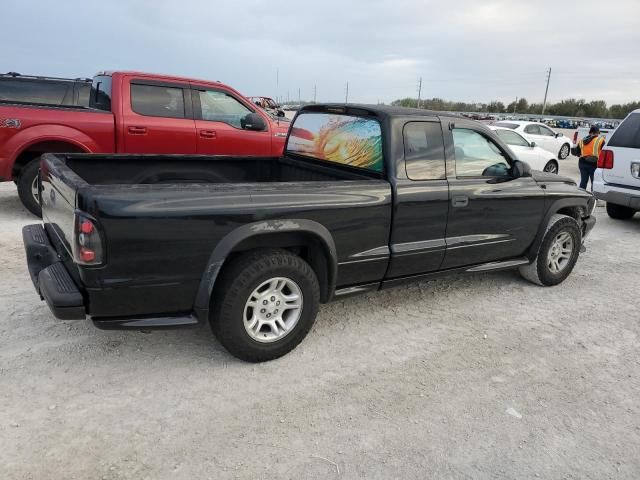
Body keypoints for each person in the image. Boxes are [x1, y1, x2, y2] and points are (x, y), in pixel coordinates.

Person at [574, 125, 606, 190]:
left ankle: (581, 196)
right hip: (594, 164)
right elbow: (604, 153)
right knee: (593, 183)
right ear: (597, 132)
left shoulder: (582, 140)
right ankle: (593, 198)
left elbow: (577, 153)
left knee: (583, 181)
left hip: (582, 163)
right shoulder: (601, 140)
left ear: (590, 132)